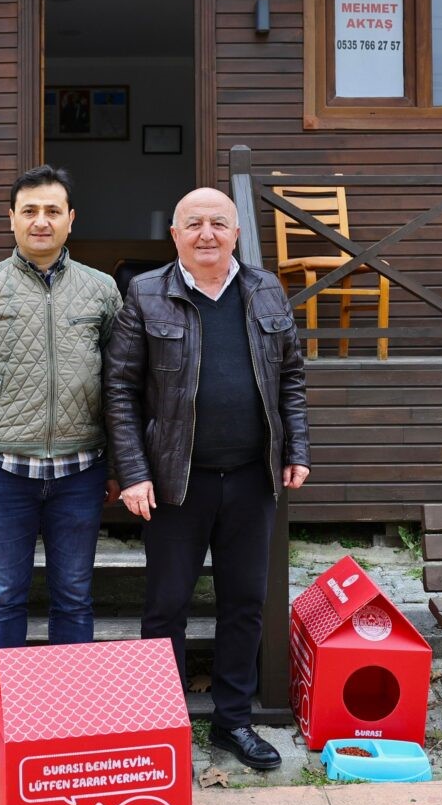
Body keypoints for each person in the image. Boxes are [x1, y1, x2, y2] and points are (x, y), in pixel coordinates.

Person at [104, 187, 310, 771]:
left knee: (244, 603)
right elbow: (118, 390)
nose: (206, 234)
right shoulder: (145, 294)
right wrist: (134, 472)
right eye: (193, 224)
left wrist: (297, 447)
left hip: (251, 476)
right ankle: (159, 730)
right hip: (176, 481)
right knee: (165, 606)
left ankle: (233, 723)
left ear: (237, 232)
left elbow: (290, 377)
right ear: (174, 235)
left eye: (219, 223)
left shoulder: (266, 289)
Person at [0, 164, 122, 685]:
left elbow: (120, 385)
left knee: (73, 596)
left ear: (70, 221)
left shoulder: (102, 290)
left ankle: (63, 719)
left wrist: (118, 465)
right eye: (30, 211)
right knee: (2, 597)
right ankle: (7, 718)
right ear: (12, 219)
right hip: (2, 470)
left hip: (81, 471)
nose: (41, 222)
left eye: (52, 211)